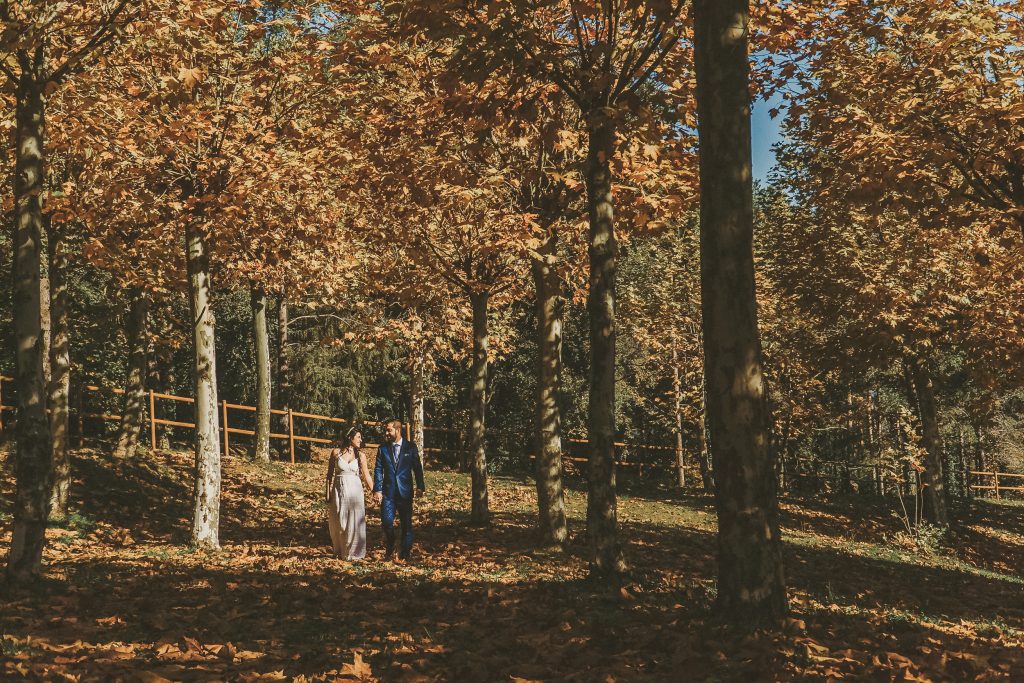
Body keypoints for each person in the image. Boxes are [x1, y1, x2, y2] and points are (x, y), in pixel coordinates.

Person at [373, 419, 425, 561]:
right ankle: (390, 544)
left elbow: (417, 468)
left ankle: (405, 553)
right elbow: (378, 469)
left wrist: (420, 486)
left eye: (389, 430)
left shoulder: (410, 447)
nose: (386, 433)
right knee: (386, 522)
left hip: (405, 491)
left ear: (398, 430)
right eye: (386, 430)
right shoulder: (382, 448)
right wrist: (377, 489)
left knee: (406, 524)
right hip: (388, 492)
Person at [325, 426, 373, 560]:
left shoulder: (361, 455)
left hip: (355, 490)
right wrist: (327, 493)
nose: (360, 439)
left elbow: (367, 476)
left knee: (355, 520)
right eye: (358, 437)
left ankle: (354, 553)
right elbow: (329, 476)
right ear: (350, 438)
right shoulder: (336, 453)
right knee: (339, 521)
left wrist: (375, 491)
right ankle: (340, 550)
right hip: (339, 489)